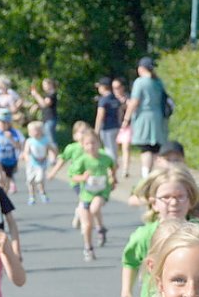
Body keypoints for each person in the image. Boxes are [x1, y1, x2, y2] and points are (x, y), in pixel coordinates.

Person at [118, 167, 199, 297]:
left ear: (190, 201)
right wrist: (126, 292)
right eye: (166, 197)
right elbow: (130, 262)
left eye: (180, 197)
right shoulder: (144, 236)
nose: (173, 202)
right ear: (154, 203)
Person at [64, 124, 116, 260]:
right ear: (83, 145)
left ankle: (99, 228)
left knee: (95, 208)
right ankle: (88, 247)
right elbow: (72, 176)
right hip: (86, 194)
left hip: (101, 192)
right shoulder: (82, 160)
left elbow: (113, 166)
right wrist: (82, 177)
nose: (91, 146)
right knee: (86, 225)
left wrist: (113, 178)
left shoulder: (105, 157)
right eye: (87, 144)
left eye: (94, 143)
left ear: (99, 143)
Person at [126, 57, 171, 179]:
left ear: (141, 68)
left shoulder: (140, 82)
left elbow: (134, 102)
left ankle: (146, 175)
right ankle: (162, 173)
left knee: (145, 148)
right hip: (158, 118)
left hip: (143, 118)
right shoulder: (158, 82)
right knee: (156, 149)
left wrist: (126, 119)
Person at [94, 76, 125, 180]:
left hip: (107, 128)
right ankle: (113, 170)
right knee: (115, 150)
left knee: (109, 150)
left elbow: (100, 115)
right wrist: (120, 123)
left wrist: (96, 130)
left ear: (103, 87)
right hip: (116, 127)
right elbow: (120, 112)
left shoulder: (104, 100)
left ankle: (111, 172)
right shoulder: (115, 98)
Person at [21, 119, 56, 205]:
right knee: (30, 181)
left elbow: (52, 149)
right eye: (32, 131)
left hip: (41, 162)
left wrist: (53, 157)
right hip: (32, 163)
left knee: (39, 179)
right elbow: (26, 152)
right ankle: (32, 196)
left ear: (41, 131)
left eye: (37, 131)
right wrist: (26, 158)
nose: (35, 133)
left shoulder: (45, 140)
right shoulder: (29, 141)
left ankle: (42, 193)